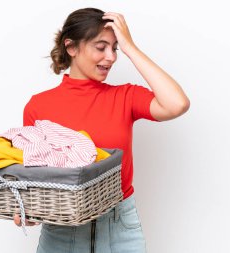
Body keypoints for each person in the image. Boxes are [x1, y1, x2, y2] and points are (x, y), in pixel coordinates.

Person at [14, 7, 190, 253]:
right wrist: (30, 211)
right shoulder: (38, 106)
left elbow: (177, 103)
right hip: (62, 231)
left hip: (119, 227)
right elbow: (36, 177)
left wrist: (131, 47)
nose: (111, 57)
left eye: (115, 48)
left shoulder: (125, 97)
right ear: (71, 47)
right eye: (101, 47)